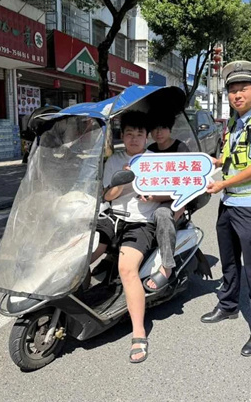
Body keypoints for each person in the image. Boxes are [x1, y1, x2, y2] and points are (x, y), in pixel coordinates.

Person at [201, 60, 251, 357]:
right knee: (230, 261)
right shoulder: (235, 122)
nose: (237, 94)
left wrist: (223, 183)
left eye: (243, 88)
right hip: (229, 203)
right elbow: (233, 157)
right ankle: (229, 305)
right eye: (232, 90)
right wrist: (214, 162)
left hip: (250, 206)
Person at [90, 110, 170, 363]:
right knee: (84, 255)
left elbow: (170, 193)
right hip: (112, 217)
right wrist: (123, 180)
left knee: (126, 268)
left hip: (141, 222)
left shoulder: (155, 161)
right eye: (129, 134)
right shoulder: (114, 161)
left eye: (139, 134)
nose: (134, 139)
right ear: (122, 136)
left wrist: (153, 196)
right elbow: (107, 196)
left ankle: (138, 332)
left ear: (147, 137)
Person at [142, 111, 189, 292]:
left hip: (174, 201)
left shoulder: (181, 149)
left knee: (162, 214)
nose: (158, 132)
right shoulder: (150, 150)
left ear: (170, 129)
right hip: (152, 198)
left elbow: (187, 184)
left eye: (162, 128)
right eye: (154, 129)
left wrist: (177, 205)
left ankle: (167, 267)